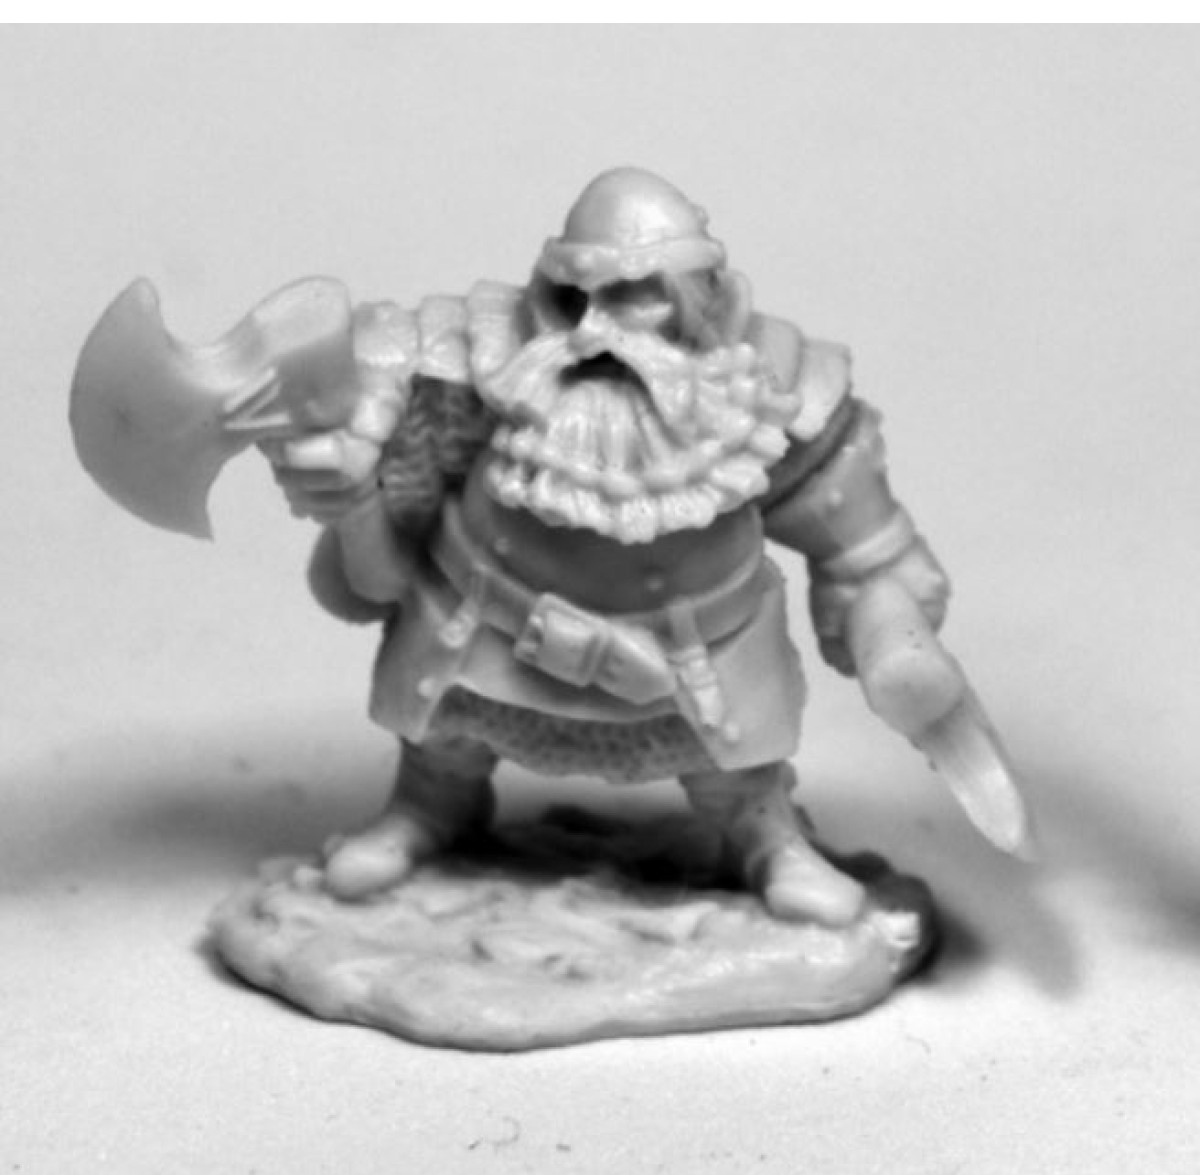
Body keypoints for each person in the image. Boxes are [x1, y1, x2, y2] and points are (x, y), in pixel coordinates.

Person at [269, 167, 950, 927]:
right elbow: (380, 404)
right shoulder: (496, 362)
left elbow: (863, 548)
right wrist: (353, 449)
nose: (596, 331)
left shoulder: (768, 386)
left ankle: (766, 839)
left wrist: (892, 636)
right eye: (573, 297)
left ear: (700, 300)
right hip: (481, 627)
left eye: (634, 297)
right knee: (445, 740)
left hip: (693, 658)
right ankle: (425, 808)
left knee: (736, 776)